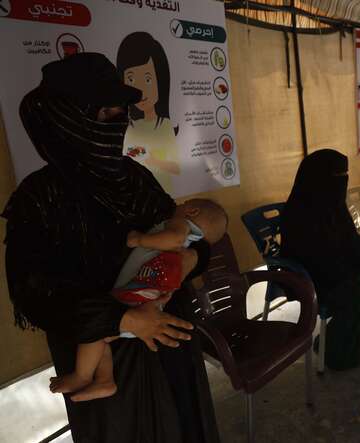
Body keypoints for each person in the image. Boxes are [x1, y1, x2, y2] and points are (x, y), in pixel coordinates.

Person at [3, 53, 220, 443]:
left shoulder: (134, 177)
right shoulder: (40, 197)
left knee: (189, 428)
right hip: (110, 365)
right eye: (103, 113)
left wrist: (193, 257)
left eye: (121, 112)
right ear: (67, 118)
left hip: (171, 343)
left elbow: (187, 234)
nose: (116, 123)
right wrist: (125, 320)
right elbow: (32, 291)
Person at [49, 199, 228, 402]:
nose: (178, 204)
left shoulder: (182, 225)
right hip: (147, 304)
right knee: (102, 336)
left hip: (136, 298)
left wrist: (140, 239)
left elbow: (175, 239)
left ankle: (83, 376)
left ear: (192, 210)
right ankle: (104, 379)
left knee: (97, 331)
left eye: (184, 203)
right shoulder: (190, 234)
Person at [281, 149, 360, 370]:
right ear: (318, 178)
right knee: (358, 295)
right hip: (313, 279)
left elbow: (354, 240)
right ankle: (337, 356)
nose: (343, 181)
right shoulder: (298, 214)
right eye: (337, 176)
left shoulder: (335, 206)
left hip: (344, 270)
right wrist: (358, 277)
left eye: (345, 174)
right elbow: (313, 260)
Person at [117, 32, 180, 193]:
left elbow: (176, 167)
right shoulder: (128, 126)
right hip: (137, 195)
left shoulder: (164, 125)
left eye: (147, 79)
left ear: (161, 80)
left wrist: (154, 161)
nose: (140, 89)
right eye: (131, 79)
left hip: (164, 194)